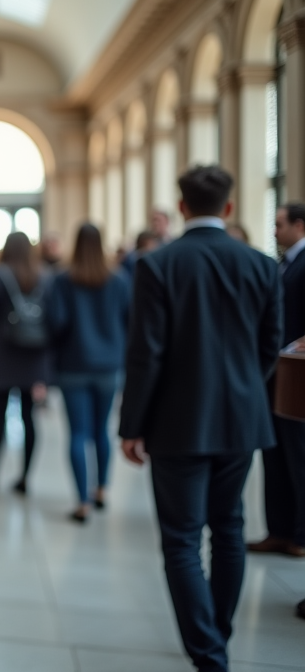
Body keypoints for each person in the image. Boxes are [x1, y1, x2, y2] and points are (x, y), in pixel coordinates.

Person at [120, 165, 281, 672]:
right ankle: (218, 634)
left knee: (183, 538)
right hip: (241, 418)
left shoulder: (158, 264)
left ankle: (209, 652)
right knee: (229, 528)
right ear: (229, 208)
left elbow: (146, 353)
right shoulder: (261, 264)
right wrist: (242, 390)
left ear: (182, 207)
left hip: (177, 421)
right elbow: (269, 344)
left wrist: (131, 425)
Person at [44, 224, 130, 523]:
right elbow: (129, 321)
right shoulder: (118, 280)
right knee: (101, 430)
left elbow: (56, 322)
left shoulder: (63, 281)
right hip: (108, 366)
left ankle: (82, 500)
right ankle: (102, 489)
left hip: (73, 364)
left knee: (78, 433)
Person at [248, 201, 305, 559]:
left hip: (297, 376)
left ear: (300, 226)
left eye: (281, 224)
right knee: (275, 454)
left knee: (299, 457)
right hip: (274, 374)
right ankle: (279, 529)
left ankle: (300, 534)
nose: (275, 230)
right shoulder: (282, 265)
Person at [0, 232, 49, 494]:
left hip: (1, 358)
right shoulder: (43, 276)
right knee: (29, 418)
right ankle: (26, 477)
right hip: (32, 358)